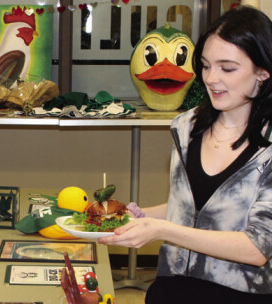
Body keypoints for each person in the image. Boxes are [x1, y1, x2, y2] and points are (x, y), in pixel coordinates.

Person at [99, 6, 272, 303]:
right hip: (172, 287)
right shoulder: (186, 126)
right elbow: (194, 208)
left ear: (263, 72)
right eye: (205, 65)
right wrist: (136, 217)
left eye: (227, 68)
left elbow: (257, 248)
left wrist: (161, 229)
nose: (211, 78)